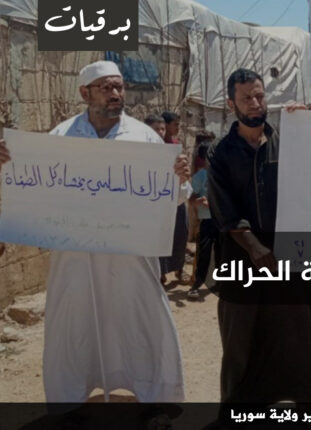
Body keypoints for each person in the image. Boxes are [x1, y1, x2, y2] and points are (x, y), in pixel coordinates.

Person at [0, 61, 190, 406]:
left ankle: (155, 398)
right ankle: (70, 401)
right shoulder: (61, 137)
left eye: (119, 87)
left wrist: (178, 177)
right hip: (76, 258)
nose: (116, 94)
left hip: (131, 258)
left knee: (142, 321)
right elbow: (38, 188)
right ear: (85, 93)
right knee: (74, 325)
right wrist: (11, 163)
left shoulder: (145, 137)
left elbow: (173, 198)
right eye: (106, 87)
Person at [207, 69, 311, 413]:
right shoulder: (220, 152)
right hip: (240, 256)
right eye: (246, 98)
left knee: (299, 332)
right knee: (241, 335)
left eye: (260, 95)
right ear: (231, 104)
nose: (255, 103)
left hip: (289, 255)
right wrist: (254, 247)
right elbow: (223, 209)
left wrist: (309, 125)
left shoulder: (289, 143)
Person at [160, 111, 191, 284]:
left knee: (180, 235)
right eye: (175, 125)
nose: (178, 128)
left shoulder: (176, 145)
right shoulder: (156, 146)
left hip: (177, 197)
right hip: (160, 199)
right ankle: (161, 272)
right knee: (161, 236)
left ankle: (179, 269)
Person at [187, 140, 216, 301]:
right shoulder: (200, 177)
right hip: (207, 221)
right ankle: (196, 284)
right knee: (204, 253)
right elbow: (191, 198)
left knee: (222, 253)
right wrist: (198, 201)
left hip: (223, 221)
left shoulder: (224, 174)